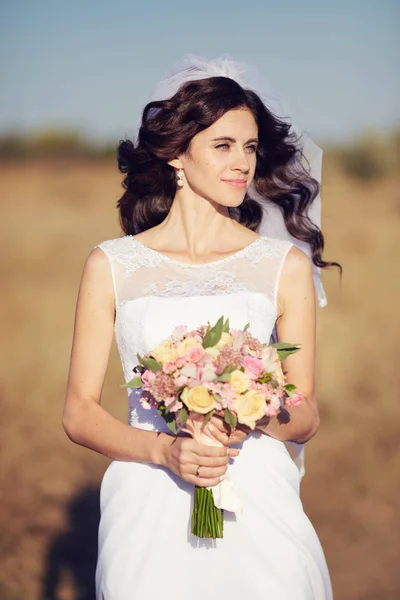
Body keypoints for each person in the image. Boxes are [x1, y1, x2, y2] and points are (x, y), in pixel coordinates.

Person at [63, 55, 339, 599]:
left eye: (251, 147)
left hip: (256, 494)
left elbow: (305, 413)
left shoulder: (283, 266)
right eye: (223, 145)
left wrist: (247, 414)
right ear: (176, 156)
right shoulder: (111, 265)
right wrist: (164, 452)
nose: (243, 164)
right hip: (148, 499)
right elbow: (78, 411)